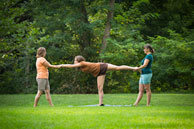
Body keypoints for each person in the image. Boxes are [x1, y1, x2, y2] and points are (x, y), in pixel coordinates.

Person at [61, 55, 137, 106]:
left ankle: (133, 68)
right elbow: (92, 64)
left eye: (75, 60)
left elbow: (71, 66)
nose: (74, 61)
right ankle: (101, 104)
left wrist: (60, 66)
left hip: (102, 67)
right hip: (99, 71)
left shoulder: (82, 63)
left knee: (117, 68)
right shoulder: (81, 66)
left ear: (79, 60)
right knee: (100, 88)